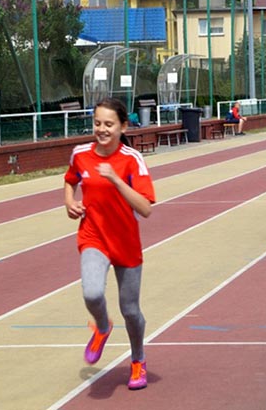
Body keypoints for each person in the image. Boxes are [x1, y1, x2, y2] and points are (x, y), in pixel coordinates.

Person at [64, 97, 155, 391]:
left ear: (123, 126)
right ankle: (102, 327)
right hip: (93, 236)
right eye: (97, 123)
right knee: (91, 293)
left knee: (130, 310)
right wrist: (69, 202)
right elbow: (71, 179)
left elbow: (145, 207)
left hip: (126, 241)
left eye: (109, 124)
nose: (102, 129)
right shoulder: (80, 154)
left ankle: (138, 360)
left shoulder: (131, 159)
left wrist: (116, 179)